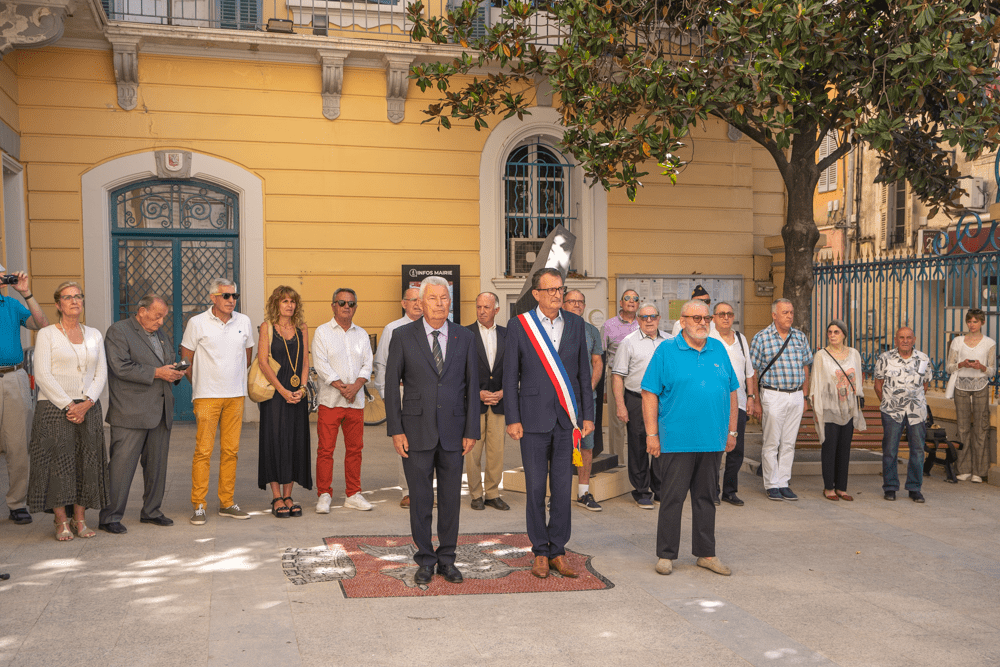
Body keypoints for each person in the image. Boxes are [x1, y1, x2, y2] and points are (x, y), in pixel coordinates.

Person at [385, 276, 479, 585]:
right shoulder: (402, 336)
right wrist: (396, 430)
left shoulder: (464, 337)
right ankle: (425, 559)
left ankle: (448, 559)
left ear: (450, 303)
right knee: (421, 500)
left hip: (454, 431)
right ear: (421, 303)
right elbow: (390, 386)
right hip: (415, 431)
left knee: (451, 500)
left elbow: (472, 385)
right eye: (433, 298)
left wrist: (472, 430)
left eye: (444, 298)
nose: (439, 304)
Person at [505, 268, 594, 579]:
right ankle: (539, 551)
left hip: (566, 423)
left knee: (560, 489)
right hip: (531, 420)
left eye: (561, 289)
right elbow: (510, 376)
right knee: (533, 489)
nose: (558, 294)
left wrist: (588, 416)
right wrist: (512, 418)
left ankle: (558, 550)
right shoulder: (519, 325)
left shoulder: (576, 324)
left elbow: (584, 374)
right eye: (552, 289)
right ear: (537, 294)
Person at [642, 299, 736, 576]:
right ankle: (666, 555)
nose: (703, 323)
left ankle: (706, 554)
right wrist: (651, 434)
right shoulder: (666, 351)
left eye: (706, 318)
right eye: (696, 319)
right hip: (676, 439)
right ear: (682, 321)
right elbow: (649, 393)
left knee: (707, 498)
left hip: (712, 439)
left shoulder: (718, 348)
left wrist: (731, 431)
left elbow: (732, 391)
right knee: (672, 498)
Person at [27, 282, 108, 541]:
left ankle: (80, 519)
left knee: (88, 461)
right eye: (68, 297)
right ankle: (61, 520)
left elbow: (101, 372)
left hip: (89, 407)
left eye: (78, 297)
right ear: (58, 305)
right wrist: (69, 405)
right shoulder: (47, 334)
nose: (74, 301)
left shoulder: (94, 334)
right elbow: (42, 374)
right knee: (57, 464)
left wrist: (87, 402)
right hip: (53, 407)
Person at [98, 294, 185, 534]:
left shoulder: (161, 335)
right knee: (121, 467)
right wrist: (158, 373)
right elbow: (120, 366)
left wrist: (175, 372)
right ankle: (110, 516)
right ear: (142, 311)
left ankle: (152, 511)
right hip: (130, 412)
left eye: (163, 317)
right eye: (157, 316)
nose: (160, 321)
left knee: (157, 466)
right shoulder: (119, 331)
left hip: (160, 409)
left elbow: (165, 363)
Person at [180, 277, 255, 525]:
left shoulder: (243, 321)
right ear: (213, 297)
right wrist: (201, 383)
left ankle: (226, 502)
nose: (231, 300)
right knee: (203, 451)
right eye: (226, 296)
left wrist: (235, 380)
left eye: (234, 296)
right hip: (206, 396)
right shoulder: (196, 322)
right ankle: (199, 505)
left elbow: (247, 356)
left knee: (231, 451)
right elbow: (186, 358)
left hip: (235, 395)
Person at [313, 288, 373, 513]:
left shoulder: (362, 334)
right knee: (325, 450)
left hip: (355, 403)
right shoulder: (322, 332)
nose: (346, 307)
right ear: (333, 306)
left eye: (350, 303)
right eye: (341, 303)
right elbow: (321, 365)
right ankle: (324, 494)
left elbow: (368, 364)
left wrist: (356, 386)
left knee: (355, 449)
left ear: (355, 307)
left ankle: (353, 494)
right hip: (331, 401)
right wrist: (342, 387)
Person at [256, 286, 312, 518]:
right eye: (284, 301)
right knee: (275, 441)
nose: (289, 305)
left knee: (295, 441)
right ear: (276, 304)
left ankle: (289, 495)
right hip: (275, 396)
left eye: (292, 301)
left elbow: (306, 363)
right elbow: (262, 362)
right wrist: (283, 391)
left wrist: (301, 388)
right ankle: (276, 496)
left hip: (297, 395)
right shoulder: (267, 328)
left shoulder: (302, 328)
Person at [749, 298, 812, 501]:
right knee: (771, 443)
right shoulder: (761, 338)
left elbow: (805, 366)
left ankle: (784, 481)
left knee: (789, 443)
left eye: (791, 312)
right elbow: (753, 371)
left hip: (795, 395)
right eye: (785, 312)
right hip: (773, 394)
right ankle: (771, 483)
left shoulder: (800, 337)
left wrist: (804, 396)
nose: (790, 316)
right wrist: (756, 400)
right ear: (774, 315)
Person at [0, 266, 48, 526]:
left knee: (18, 445)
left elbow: (43, 324)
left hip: (13, 377)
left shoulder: (11, 304)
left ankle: (17, 503)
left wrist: (26, 293)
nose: (5, 279)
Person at [611, 302, 668, 509]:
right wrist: (621, 405)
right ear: (638, 320)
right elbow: (617, 376)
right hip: (637, 399)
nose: (649, 320)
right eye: (644, 317)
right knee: (638, 445)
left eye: (653, 316)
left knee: (663, 443)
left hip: (664, 400)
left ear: (659, 318)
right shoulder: (628, 342)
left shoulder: (670, 341)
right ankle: (641, 490)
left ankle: (660, 488)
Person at [373, 287, 423, 508]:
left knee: (432, 441)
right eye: (413, 300)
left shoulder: (434, 327)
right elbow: (381, 364)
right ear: (404, 304)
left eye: (421, 300)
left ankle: (428, 489)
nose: (418, 304)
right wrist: (387, 394)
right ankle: (409, 491)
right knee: (406, 442)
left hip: (430, 393)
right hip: (403, 392)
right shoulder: (393, 329)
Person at [809, 319, 866, 501]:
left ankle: (842, 487)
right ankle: (828, 488)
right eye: (830, 332)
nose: (832, 335)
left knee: (844, 449)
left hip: (848, 407)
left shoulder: (854, 354)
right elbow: (815, 383)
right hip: (828, 407)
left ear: (844, 335)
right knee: (830, 447)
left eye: (836, 332)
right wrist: (816, 410)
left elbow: (858, 378)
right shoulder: (821, 355)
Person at [874, 327, 933, 503]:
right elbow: (878, 385)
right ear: (896, 339)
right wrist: (889, 404)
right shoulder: (885, 358)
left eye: (908, 337)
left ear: (914, 339)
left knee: (917, 451)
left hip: (916, 413)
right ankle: (890, 487)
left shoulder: (923, 359)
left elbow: (925, 385)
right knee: (890, 450)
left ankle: (915, 488)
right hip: (892, 412)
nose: (905, 340)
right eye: (901, 337)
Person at [710, 301, 760, 507]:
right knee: (713, 450)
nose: (725, 317)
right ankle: (712, 490)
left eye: (729, 313)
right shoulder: (708, 339)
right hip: (713, 404)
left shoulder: (741, 339)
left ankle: (730, 491)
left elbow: (749, 373)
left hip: (737, 404)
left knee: (736, 450)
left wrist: (751, 397)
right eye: (721, 314)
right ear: (713, 317)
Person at [466, 292, 510, 511]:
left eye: (486, 307)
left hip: (499, 401)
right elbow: (458, 373)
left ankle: (492, 493)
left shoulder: (507, 334)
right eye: (478, 306)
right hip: (475, 403)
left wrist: (504, 392)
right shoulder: (465, 334)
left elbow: (514, 369)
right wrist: (477, 393)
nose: (481, 311)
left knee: (496, 451)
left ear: (497, 310)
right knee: (473, 451)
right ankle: (476, 494)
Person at [563, 289, 603, 511]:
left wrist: (589, 389)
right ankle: (555, 494)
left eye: (580, 302)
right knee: (558, 446)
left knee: (586, 446)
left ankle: (583, 492)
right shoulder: (557, 329)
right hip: (560, 400)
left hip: (587, 399)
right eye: (572, 301)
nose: (577, 305)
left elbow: (597, 362)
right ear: (563, 304)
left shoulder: (591, 331)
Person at [946, 308, 995, 483]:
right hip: (961, 386)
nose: (972, 324)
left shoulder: (989, 343)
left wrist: (980, 367)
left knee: (981, 427)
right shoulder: (957, 341)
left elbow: (991, 370)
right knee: (963, 427)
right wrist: (962, 364)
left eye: (975, 321)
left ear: (982, 322)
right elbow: (949, 367)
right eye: (969, 321)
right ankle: (963, 468)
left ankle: (979, 471)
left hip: (981, 385)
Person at [600, 289, 639, 466]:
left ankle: (637, 464)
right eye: (627, 298)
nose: (632, 301)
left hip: (639, 377)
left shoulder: (643, 324)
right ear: (621, 303)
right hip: (616, 377)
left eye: (635, 299)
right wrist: (603, 388)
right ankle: (619, 464)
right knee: (617, 422)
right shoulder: (609, 325)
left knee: (639, 421)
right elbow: (600, 356)